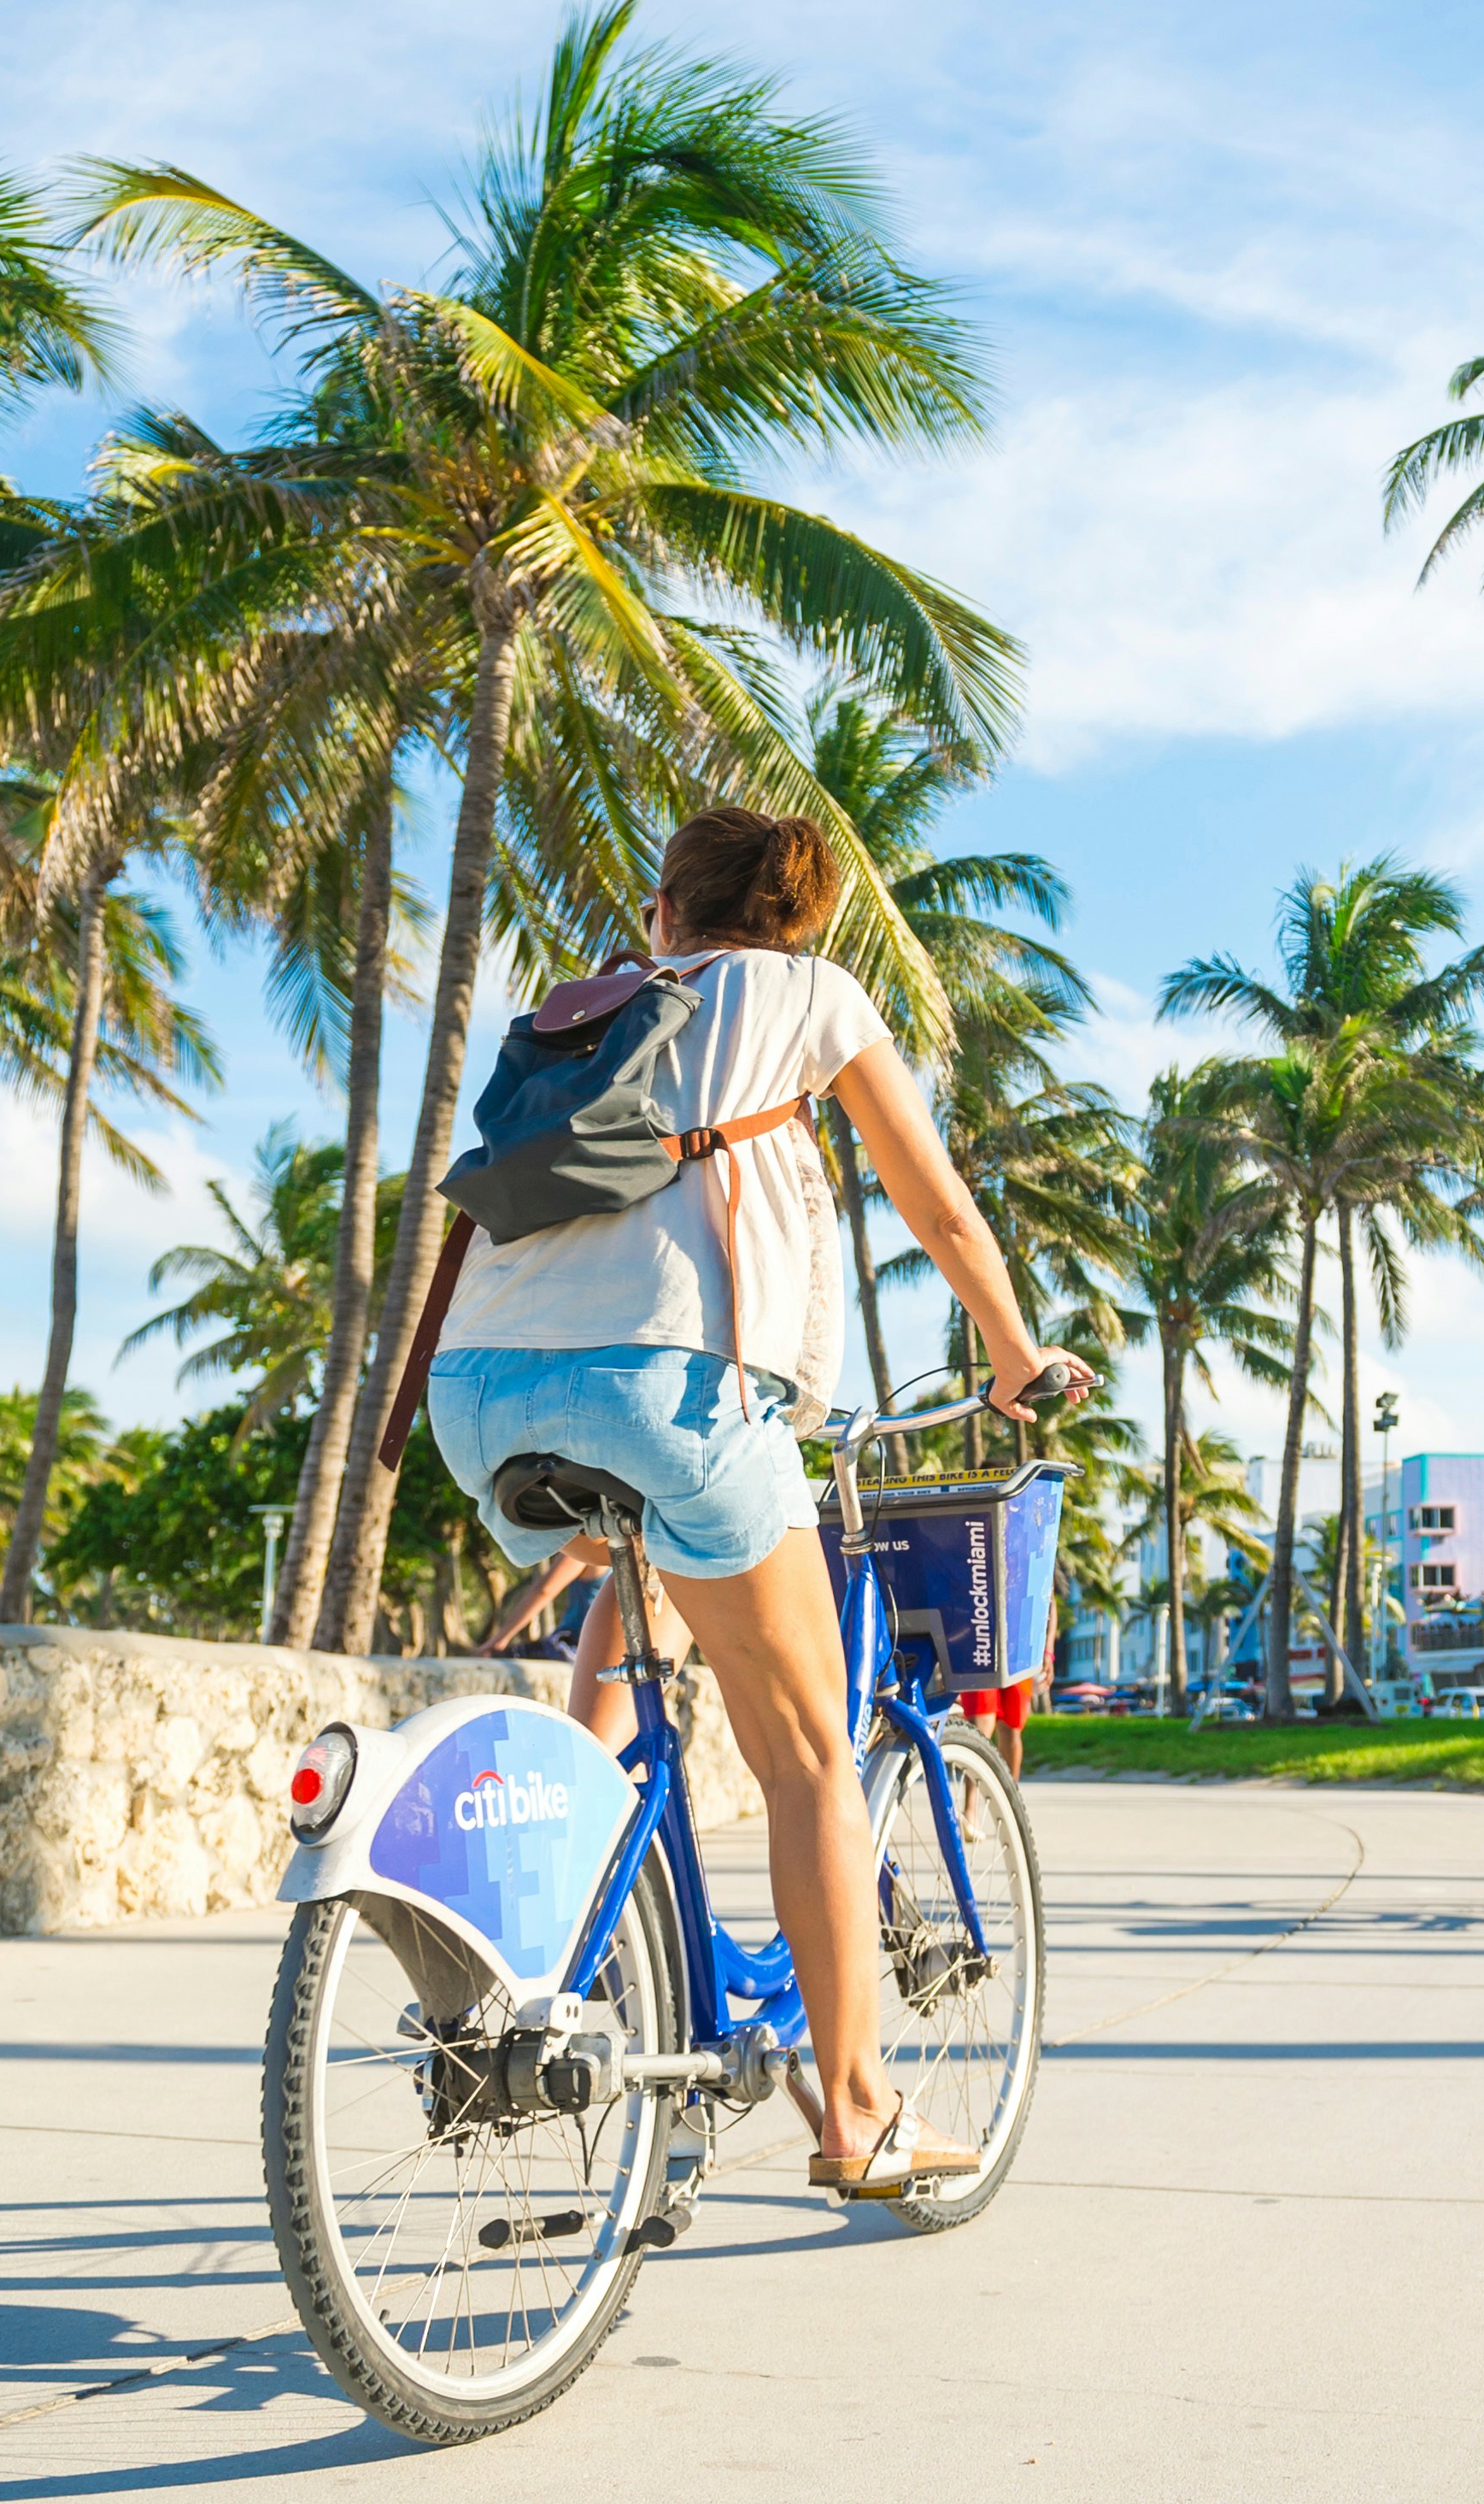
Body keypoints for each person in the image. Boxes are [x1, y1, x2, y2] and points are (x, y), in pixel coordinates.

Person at [417, 802, 1094, 2200]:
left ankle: (526, 1962)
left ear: (666, 910)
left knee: (627, 1632)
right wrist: (1018, 1358)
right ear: (803, 920)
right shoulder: (808, 992)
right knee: (808, 1765)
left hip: (474, 1392)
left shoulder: (591, 1006)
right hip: (673, 1394)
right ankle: (857, 2113)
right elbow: (940, 1206)